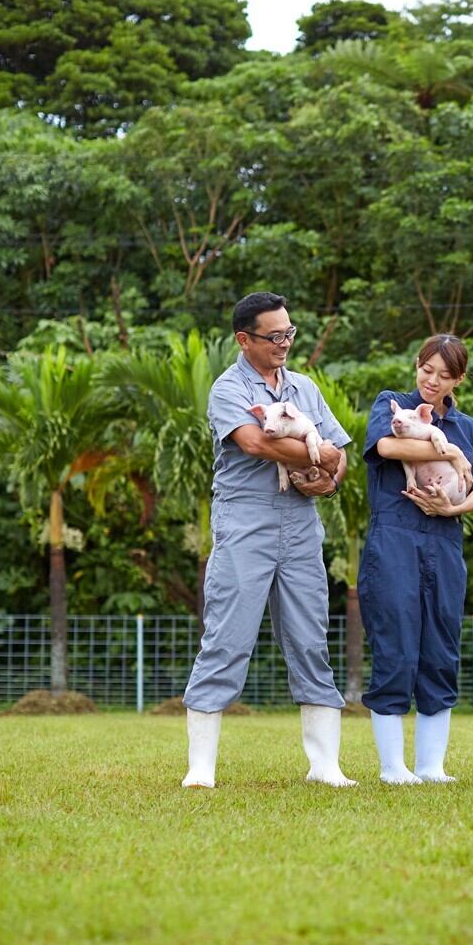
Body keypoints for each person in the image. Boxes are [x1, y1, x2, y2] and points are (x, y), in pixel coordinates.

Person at [183, 292, 355, 789]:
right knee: (228, 637)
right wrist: (316, 455)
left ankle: (325, 766)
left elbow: (339, 454)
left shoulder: (303, 387)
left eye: (289, 333)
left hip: (301, 523)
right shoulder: (228, 387)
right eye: (274, 336)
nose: (284, 343)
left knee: (310, 638)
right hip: (245, 521)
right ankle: (201, 769)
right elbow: (255, 442)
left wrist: (329, 478)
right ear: (245, 339)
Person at [359, 334, 473, 784]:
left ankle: (431, 765)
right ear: (416, 365)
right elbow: (386, 448)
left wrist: (452, 508)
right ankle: (392, 766)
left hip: (445, 538)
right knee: (395, 643)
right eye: (427, 369)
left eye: (444, 374)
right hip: (394, 537)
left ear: (458, 379)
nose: (432, 380)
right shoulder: (393, 404)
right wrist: (450, 451)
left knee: (440, 647)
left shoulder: (468, 426)